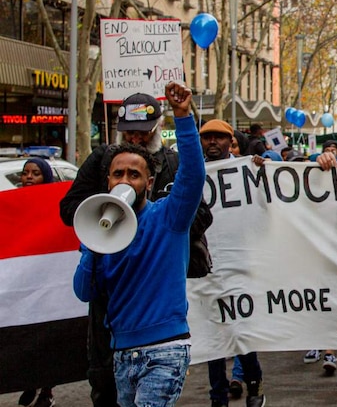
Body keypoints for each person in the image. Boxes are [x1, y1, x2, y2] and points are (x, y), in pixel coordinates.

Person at [59, 91, 213, 406]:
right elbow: (83, 291)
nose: (126, 180)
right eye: (118, 174)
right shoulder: (103, 234)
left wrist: (183, 116)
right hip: (121, 352)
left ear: (150, 181)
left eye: (134, 175)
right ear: (107, 181)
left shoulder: (167, 217)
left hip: (164, 349)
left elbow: (194, 176)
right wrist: (93, 243)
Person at [200, 118, 267, 407]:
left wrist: (261, 171)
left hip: (240, 262)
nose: (212, 142)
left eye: (219, 137)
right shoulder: (191, 171)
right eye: (207, 137)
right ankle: (219, 397)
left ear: (231, 141)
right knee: (214, 334)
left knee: (241, 330)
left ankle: (253, 383)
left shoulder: (247, 169)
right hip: (205, 266)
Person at [17, 157, 56, 407]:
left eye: (36, 173)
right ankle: (29, 382)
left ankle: (47, 391)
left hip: (48, 283)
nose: (29, 177)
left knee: (49, 339)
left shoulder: (56, 205)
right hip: (24, 284)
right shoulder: (12, 205)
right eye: (25, 173)